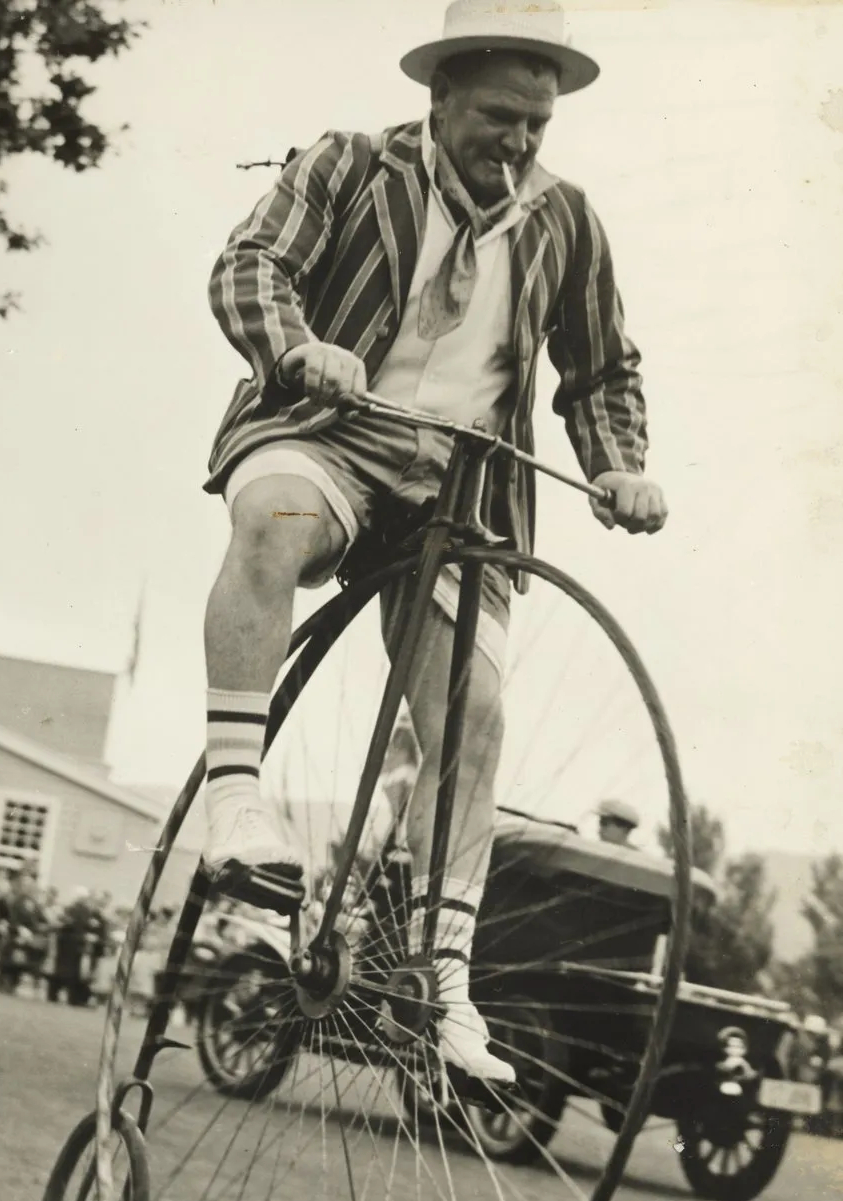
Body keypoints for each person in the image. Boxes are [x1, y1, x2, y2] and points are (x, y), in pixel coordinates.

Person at [201, 0, 667, 1083]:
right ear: (440, 96)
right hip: (330, 431)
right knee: (273, 520)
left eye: (536, 126)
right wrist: (300, 346)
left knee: (474, 713)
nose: (517, 143)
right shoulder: (350, 166)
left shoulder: (564, 220)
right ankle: (235, 797)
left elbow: (601, 367)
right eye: (499, 115)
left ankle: (439, 970)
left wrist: (617, 462)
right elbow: (248, 266)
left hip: (461, 486)